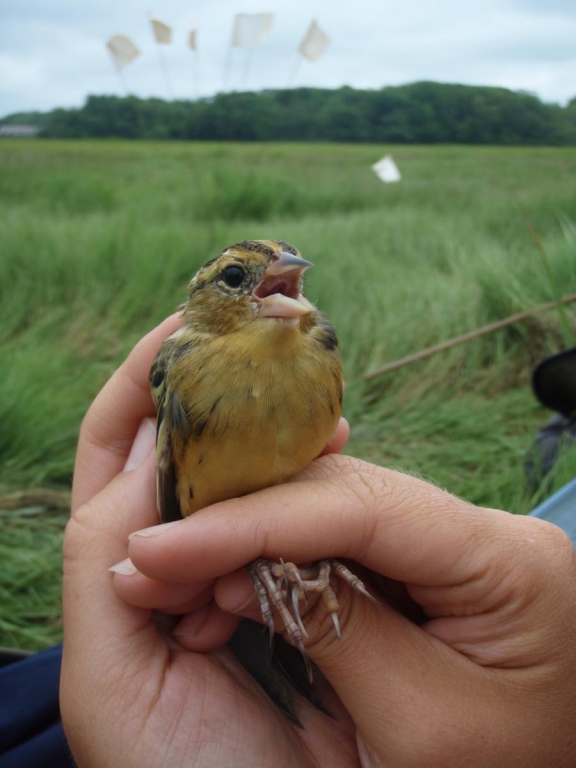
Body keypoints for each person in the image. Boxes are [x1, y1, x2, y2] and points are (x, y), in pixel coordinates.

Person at [59, 316, 576, 767]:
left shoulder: (317, 349)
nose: (281, 279)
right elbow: (172, 485)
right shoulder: (183, 359)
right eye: (238, 279)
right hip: (203, 569)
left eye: (288, 273)